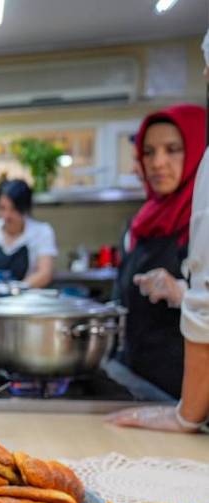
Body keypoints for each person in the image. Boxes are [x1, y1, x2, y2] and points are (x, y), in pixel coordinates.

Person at [111, 104, 206, 399]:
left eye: (173, 149)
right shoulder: (140, 223)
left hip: (191, 397)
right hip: (141, 381)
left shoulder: (203, 220)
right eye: (149, 152)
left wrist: (181, 293)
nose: (158, 162)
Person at [0, 179, 56, 297]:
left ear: (25, 208)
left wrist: (15, 292)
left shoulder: (42, 231)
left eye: (13, 209)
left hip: (27, 302)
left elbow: (45, 273)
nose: (7, 215)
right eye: (2, 208)